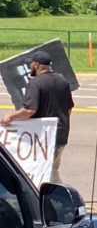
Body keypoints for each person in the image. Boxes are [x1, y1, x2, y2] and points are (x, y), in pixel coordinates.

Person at [1, 50, 74, 183]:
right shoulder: (62, 80)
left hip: (44, 137)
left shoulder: (35, 83)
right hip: (62, 133)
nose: (30, 67)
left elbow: (29, 110)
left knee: (46, 171)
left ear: (36, 64)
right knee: (52, 168)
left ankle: (58, 200)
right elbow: (69, 109)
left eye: (31, 64)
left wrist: (10, 117)